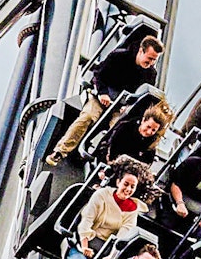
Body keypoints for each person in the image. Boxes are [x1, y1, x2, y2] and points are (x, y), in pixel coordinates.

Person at [46, 35, 164, 164]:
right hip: (101, 98)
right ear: (141, 51)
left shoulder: (150, 74)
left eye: (154, 60)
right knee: (88, 117)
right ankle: (60, 151)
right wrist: (103, 93)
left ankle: (100, 160)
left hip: (120, 108)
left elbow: (143, 98)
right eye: (150, 58)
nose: (151, 63)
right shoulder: (118, 57)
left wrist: (129, 107)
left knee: (118, 129)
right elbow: (99, 75)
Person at [99, 102, 172, 166]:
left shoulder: (151, 147)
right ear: (143, 120)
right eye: (148, 127)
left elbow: (145, 166)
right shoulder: (125, 127)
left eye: (153, 130)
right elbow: (108, 146)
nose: (149, 132)